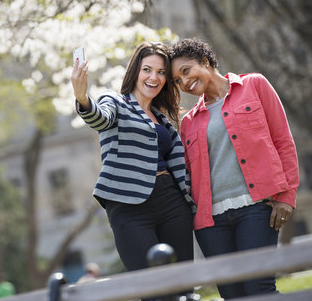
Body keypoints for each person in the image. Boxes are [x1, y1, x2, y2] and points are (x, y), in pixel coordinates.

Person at [169, 38, 299, 299]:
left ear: (205, 61)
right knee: (232, 294)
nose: (184, 83)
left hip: (256, 209)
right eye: (177, 81)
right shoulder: (188, 123)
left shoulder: (254, 85)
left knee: (259, 288)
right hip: (210, 223)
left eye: (186, 71)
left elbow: (283, 141)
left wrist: (287, 196)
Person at [71, 42, 196, 273]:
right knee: (150, 285)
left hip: (171, 200)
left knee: (183, 279)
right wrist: (82, 98)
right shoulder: (115, 102)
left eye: (161, 72)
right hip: (129, 206)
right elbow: (99, 119)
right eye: (147, 69)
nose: (154, 77)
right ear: (135, 71)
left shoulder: (162, 117)